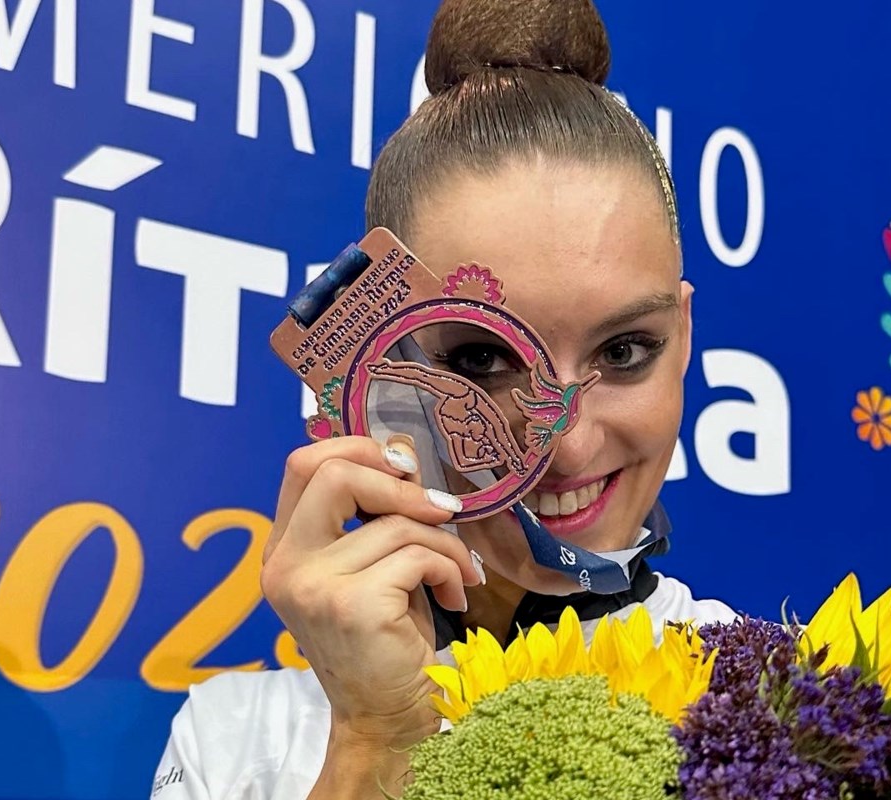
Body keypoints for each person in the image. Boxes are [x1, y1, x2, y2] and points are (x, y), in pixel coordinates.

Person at [150, 0, 737, 796]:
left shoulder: (786, 699)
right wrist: (376, 740)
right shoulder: (238, 744)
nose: (565, 446)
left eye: (625, 350)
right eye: (484, 360)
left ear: (686, 335)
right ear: (382, 367)